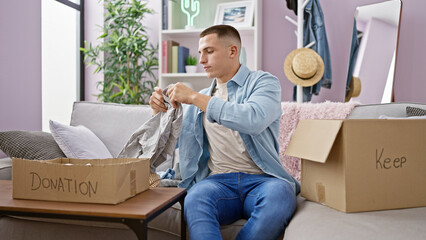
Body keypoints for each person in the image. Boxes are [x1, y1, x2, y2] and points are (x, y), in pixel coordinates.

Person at [149, 25, 300, 240]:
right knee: (195, 198)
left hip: (262, 180)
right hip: (217, 182)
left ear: (232, 51)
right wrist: (158, 112)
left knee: (282, 194)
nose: (201, 60)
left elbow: (252, 119)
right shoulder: (200, 98)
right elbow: (172, 143)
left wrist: (193, 98)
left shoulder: (264, 83)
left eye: (209, 51)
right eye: (200, 52)